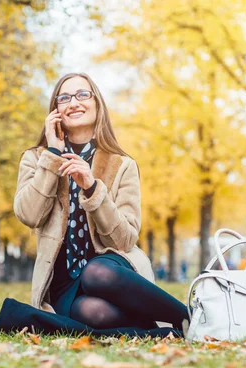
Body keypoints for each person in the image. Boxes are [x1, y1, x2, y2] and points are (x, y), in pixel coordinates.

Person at [13, 72, 190, 330]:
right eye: (64, 98)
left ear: (97, 104)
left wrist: (93, 188)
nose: (74, 102)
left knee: (96, 273)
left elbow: (124, 240)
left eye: (83, 94)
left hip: (110, 269)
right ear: (55, 111)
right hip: (64, 282)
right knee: (93, 313)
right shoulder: (36, 158)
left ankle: (191, 317)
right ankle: (161, 325)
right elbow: (29, 215)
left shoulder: (123, 165)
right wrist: (52, 156)